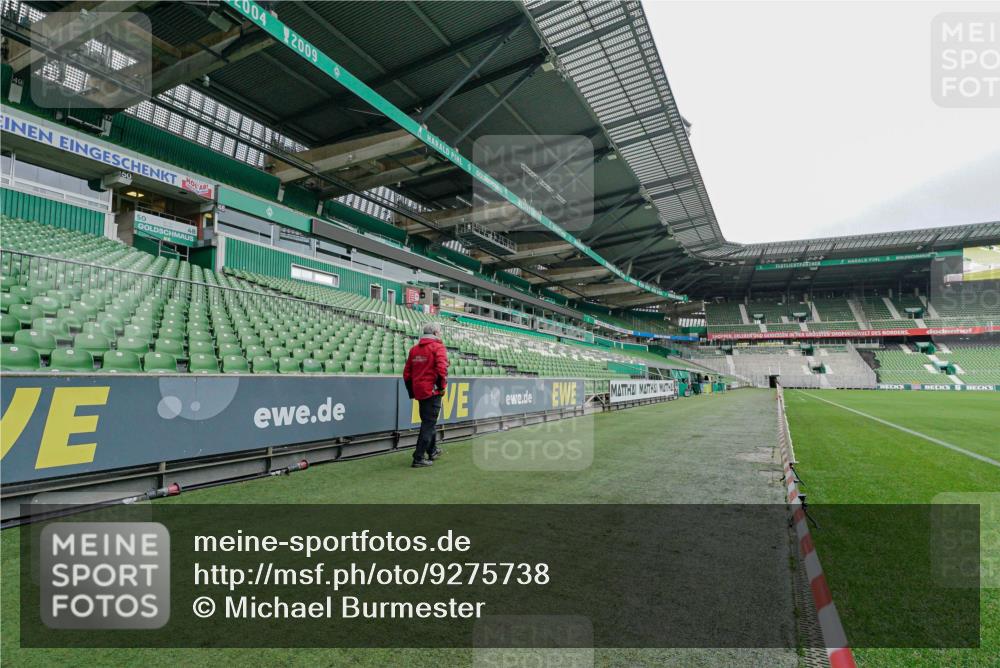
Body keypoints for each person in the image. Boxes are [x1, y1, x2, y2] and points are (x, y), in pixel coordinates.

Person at [403, 322, 448, 468]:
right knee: (428, 424)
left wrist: (412, 392)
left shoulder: (414, 349)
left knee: (428, 421)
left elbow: (407, 374)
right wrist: (442, 387)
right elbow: (442, 370)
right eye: (439, 332)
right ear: (435, 333)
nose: (440, 334)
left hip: (420, 391)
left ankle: (432, 450)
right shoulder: (438, 347)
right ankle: (418, 457)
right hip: (432, 391)